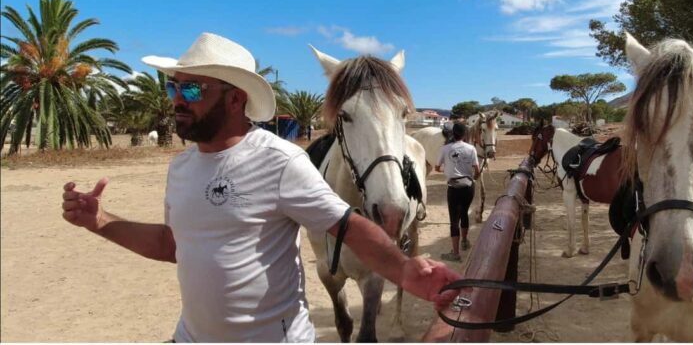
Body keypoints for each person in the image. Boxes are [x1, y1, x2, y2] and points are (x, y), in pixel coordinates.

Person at [60, 33, 460, 342]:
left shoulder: (279, 161)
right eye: (173, 88)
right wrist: (100, 221)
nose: (177, 100)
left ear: (236, 99)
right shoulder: (181, 167)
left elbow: (349, 226)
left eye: (192, 89)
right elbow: (172, 244)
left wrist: (404, 269)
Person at [434, 123, 481, 262]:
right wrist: (473, 178)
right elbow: (477, 170)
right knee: (464, 213)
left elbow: (437, 168)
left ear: (452, 134)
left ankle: (455, 253)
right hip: (468, 186)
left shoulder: (445, 149)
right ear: (465, 134)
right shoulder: (471, 148)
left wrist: (447, 170)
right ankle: (465, 241)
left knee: (454, 220)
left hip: (454, 188)